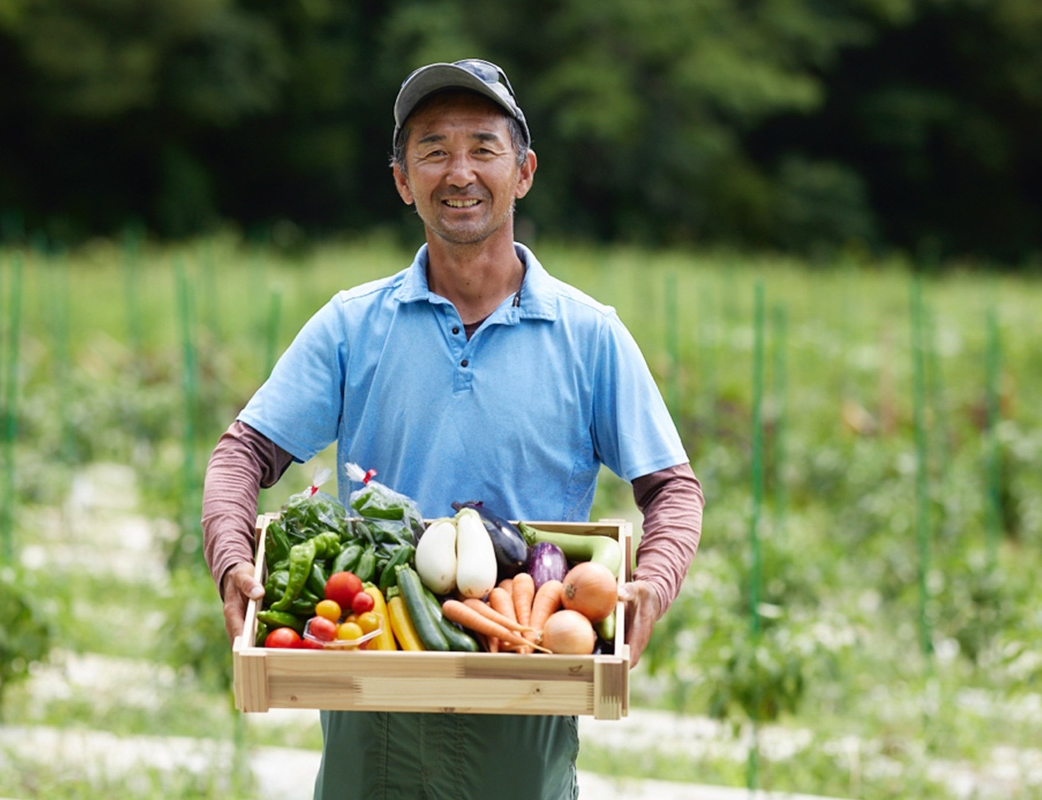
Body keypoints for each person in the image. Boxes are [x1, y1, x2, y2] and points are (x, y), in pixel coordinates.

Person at [202, 58, 704, 800]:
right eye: (432, 150)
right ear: (404, 180)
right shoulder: (352, 325)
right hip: (373, 675)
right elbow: (243, 452)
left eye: (482, 148)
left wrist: (651, 590)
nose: (458, 171)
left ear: (524, 172)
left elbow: (673, 490)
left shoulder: (588, 335)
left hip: (527, 679)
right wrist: (229, 554)